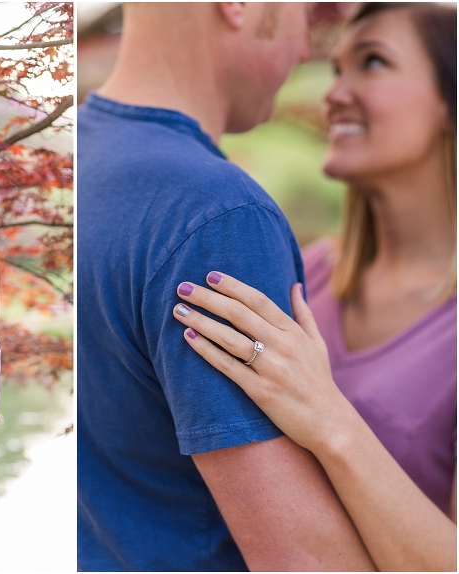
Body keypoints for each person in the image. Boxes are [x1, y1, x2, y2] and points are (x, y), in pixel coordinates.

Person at [77, 3, 376, 571]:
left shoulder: (86, 152)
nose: (303, 50)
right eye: (301, 15)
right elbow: (304, 561)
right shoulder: (219, 216)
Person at [173, 2, 456, 571]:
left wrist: (328, 419)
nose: (335, 93)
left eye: (372, 63)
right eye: (336, 69)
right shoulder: (305, 271)